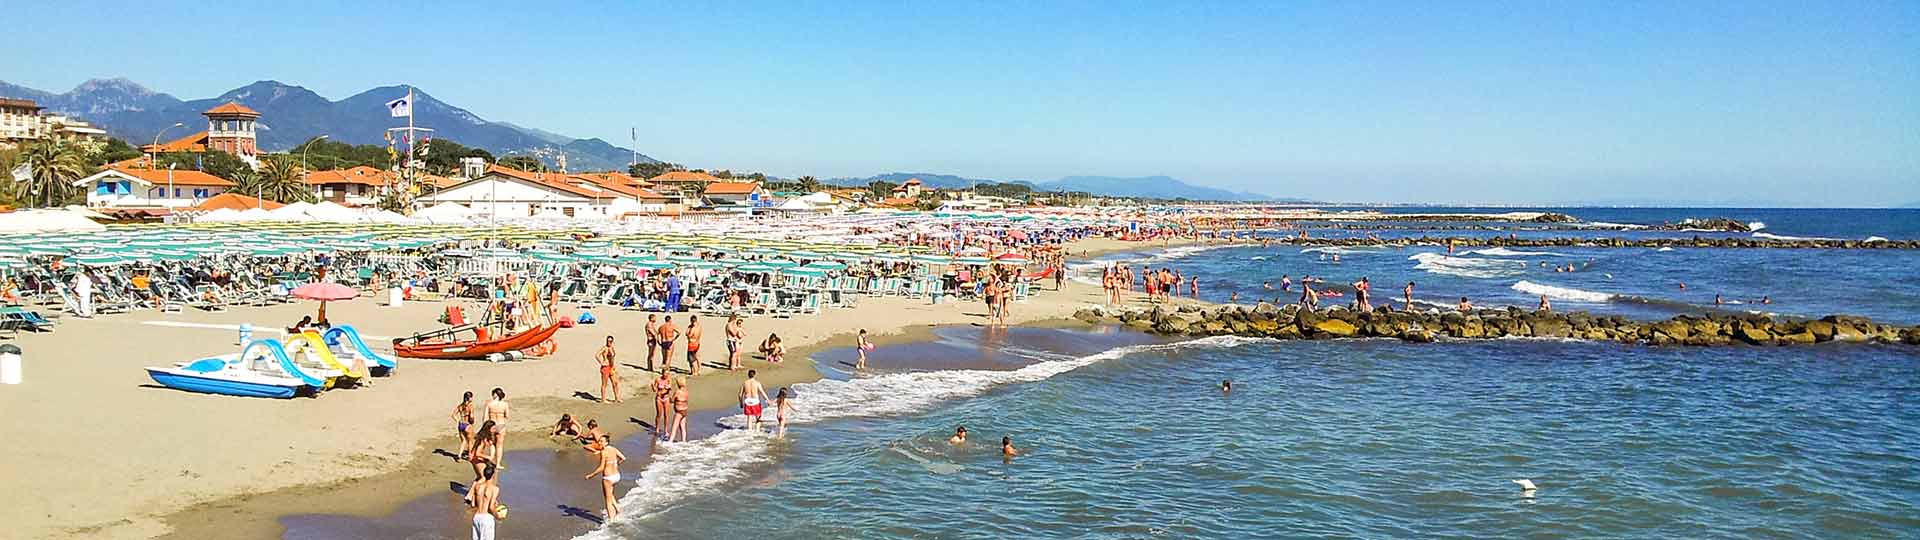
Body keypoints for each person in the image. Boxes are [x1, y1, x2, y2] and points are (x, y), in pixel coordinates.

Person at [584, 433, 627, 520]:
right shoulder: (614, 449)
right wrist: (617, 464)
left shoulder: (604, 452)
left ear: (607, 442)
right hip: (616, 476)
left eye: (602, 441)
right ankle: (618, 510)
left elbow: (601, 467)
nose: (599, 442)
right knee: (610, 494)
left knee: (607, 499)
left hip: (608, 478)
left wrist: (591, 475)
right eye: (599, 441)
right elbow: (623, 458)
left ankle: (611, 520)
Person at [470, 464, 501, 540]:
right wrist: (497, 516)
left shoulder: (477, 486)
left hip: (476, 517)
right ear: (493, 475)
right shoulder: (495, 489)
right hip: (486, 518)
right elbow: (490, 507)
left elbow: (473, 504)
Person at [485, 388, 511, 456]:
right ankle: (498, 464)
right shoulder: (505, 404)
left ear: (495, 394)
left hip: (492, 426)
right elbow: (507, 416)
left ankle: (491, 459)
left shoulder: (489, 404)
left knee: (492, 444)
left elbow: (485, 417)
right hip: (501, 425)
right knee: (499, 446)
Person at [452, 391, 476, 461]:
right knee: (470, 442)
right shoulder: (470, 406)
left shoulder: (460, 406)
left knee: (463, 441)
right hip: (467, 424)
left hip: (461, 424)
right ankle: (470, 456)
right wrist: (472, 421)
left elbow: (453, 415)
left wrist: (458, 420)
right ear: (470, 398)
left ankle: (459, 456)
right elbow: (471, 417)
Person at [596, 336, 620, 403]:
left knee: (615, 383)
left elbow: (612, 358)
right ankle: (603, 399)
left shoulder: (612, 348)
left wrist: (614, 366)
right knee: (604, 384)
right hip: (605, 367)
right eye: (608, 341)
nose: (609, 342)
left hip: (611, 367)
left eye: (610, 341)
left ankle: (617, 398)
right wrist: (601, 362)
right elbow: (597, 355)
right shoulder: (604, 348)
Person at [668, 377, 691, 442]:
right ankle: (684, 441)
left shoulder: (677, 392)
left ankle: (670, 441)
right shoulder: (686, 391)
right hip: (685, 411)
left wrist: (669, 396)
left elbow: (672, 400)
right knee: (683, 428)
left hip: (679, 411)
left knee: (674, 427)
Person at [652, 369, 673, 436]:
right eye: (665, 373)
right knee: (659, 414)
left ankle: (666, 430)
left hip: (666, 398)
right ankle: (657, 428)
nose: (666, 375)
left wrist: (668, 388)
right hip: (659, 398)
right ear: (662, 373)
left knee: (666, 415)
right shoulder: (658, 379)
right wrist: (653, 387)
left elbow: (669, 389)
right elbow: (654, 389)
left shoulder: (669, 380)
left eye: (667, 374)